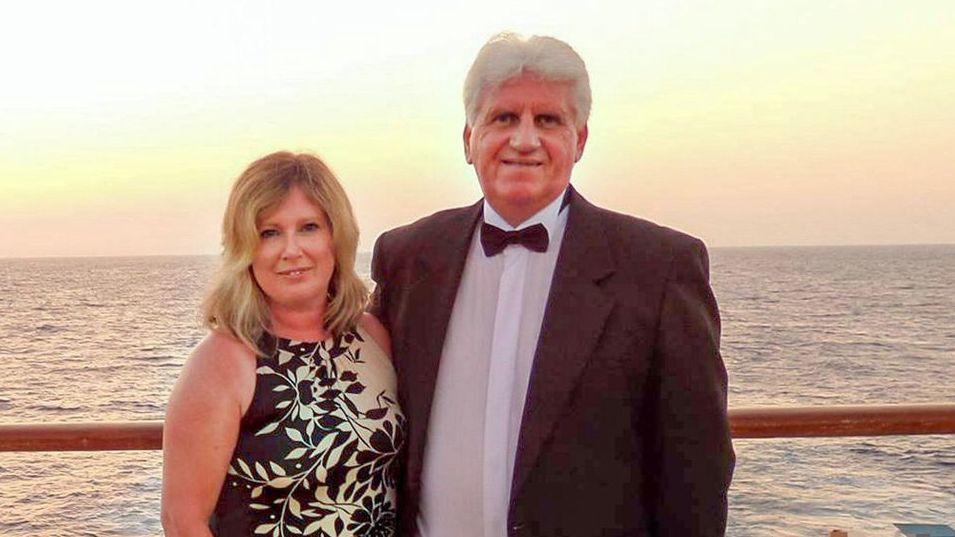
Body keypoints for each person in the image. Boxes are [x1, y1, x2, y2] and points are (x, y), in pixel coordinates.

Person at [369, 32, 734, 536]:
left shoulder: (661, 268)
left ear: (579, 141)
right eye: (503, 118)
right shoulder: (408, 258)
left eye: (548, 120)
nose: (524, 139)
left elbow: (696, 470)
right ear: (468, 139)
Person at [162, 151, 404, 537]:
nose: (292, 250)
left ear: (335, 236)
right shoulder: (225, 360)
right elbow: (182, 522)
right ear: (246, 250)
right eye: (269, 233)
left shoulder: (372, 337)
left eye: (308, 227)